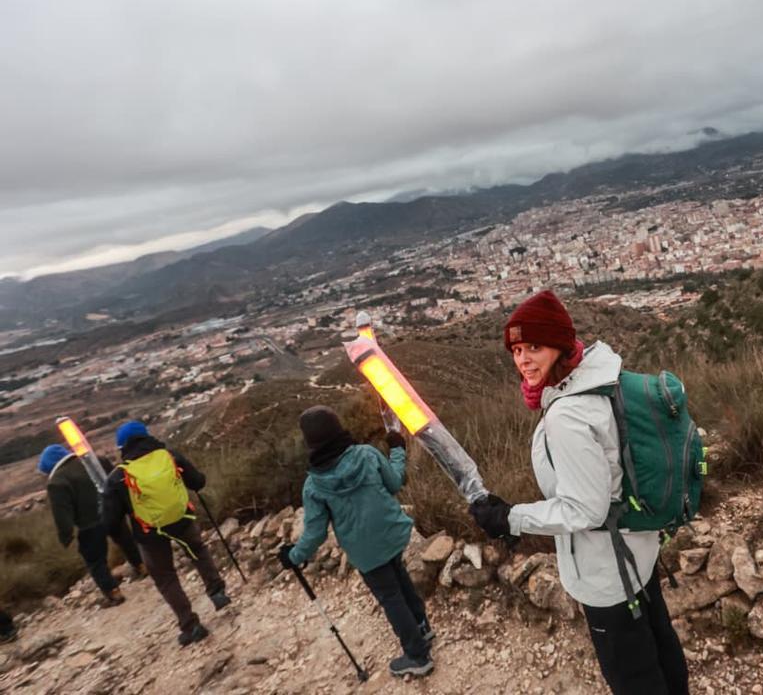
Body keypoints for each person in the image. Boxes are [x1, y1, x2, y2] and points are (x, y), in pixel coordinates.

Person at [470, 289, 689, 695]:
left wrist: (510, 517)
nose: (522, 361)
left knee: (634, 678)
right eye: (516, 350)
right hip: (638, 549)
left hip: (607, 573)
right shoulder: (602, 379)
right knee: (660, 647)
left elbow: (583, 510)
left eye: (533, 347)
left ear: (558, 344)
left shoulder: (568, 415)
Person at [277, 406, 433, 678]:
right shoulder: (367, 454)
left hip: (365, 552)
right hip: (391, 532)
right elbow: (396, 482)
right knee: (400, 577)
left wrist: (294, 556)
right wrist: (397, 448)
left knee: (390, 596)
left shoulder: (314, 485)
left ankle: (417, 655)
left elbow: (315, 534)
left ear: (310, 442)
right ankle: (422, 627)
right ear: (338, 428)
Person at [102, 421, 229, 646]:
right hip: (182, 519)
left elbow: (111, 522)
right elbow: (198, 482)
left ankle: (191, 626)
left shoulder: (118, 477)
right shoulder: (169, 456)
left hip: (149, 533)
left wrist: (123, 537)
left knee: (166, 577)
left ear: (122, 447)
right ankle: (217, 593)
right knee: (198, 551)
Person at [39, 443, 145, 607]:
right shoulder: (95, 461)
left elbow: (62, 513)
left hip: (89, 524)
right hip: (112, 511)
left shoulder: (57, 482)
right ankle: (142, 566)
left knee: (96, 561)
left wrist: (66, 536)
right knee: (126, 540)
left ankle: (113, 593)